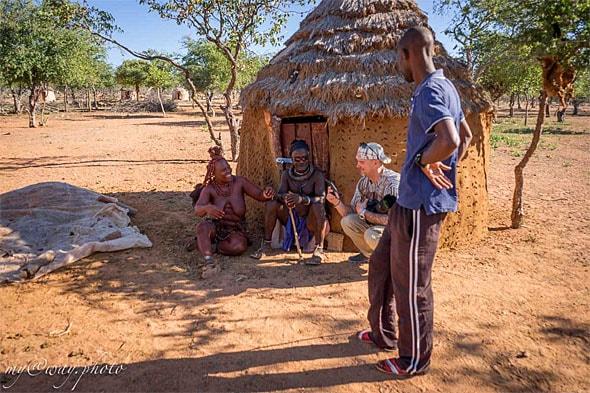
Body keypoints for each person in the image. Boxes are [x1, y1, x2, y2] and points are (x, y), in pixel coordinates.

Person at [364, 26, 473, 379]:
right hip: (407, 201)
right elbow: (466, 136)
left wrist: (429, 163)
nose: (399, 65)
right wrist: (442, 166)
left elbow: (452, 139)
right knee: (381, 266)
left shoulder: (430, 91)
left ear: (407, 54)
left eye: (399, 58)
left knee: (413, 286)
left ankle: (414, 359)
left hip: (420, 209)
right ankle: (383, 333)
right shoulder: (444, 88)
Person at [193, 146, 275, 278]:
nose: (228, 171)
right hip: (216, 227)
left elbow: (259, 195)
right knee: (202, 227)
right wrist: (207, 208)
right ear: (214, 173)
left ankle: (210, 246)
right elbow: (198, 210)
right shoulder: (210, 189)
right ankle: (209, 261)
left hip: (235, 230)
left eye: (228, 167)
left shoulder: (239, 182)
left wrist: (266, 194)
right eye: (223, 170)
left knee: (238, 247)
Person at [250, 139, 328, 265]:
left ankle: (319, 249)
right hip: (290, 219)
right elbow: (280, 194)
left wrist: (301, 199)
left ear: (308, 157)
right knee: (272, 203)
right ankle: (267, 244)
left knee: (318, 207)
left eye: (304, 158)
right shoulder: (286, 175)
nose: (301, 161)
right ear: (292, 159)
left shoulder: (317, 175)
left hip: (309, 221)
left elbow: (321, 198)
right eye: (297, 159)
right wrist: (285, 198)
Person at [326, 142, 400, 264]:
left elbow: (394, 220)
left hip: (399, 230)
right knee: (348, 221)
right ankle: (370, 255)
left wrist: (364, 213)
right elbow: (350, 212)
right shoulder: (363, 183)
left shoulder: (393, 183)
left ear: (375, 162)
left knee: (371, 235)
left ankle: (395, 262)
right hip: (378, 224)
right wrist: (336, 202)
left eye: (362, 162)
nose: (357, 166)